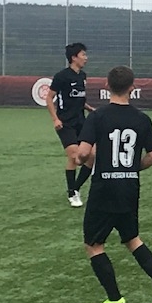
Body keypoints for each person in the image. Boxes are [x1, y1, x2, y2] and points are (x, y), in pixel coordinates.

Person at [76, 65, 152, 303]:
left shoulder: (97, 117)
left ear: (106, 86)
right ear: (133, 87)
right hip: (129, 187)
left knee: (94, 244)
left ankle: (114, 299)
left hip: (104, 187)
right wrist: (131, 168)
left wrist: (80, 159)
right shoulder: (142, 119)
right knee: (132, 239)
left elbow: (83, 153)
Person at [46, 43, 96, 207]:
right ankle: (72, 193)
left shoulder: (83, 76)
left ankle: (75, 188)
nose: (86, 58)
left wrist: (89, 108)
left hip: (81, 121)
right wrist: (55, 119)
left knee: (92, 155)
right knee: (75, 157)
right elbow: (49, 98)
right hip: (65, 123)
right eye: (83, 55)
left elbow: (78, 99)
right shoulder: (61, 76)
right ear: (74, 57)